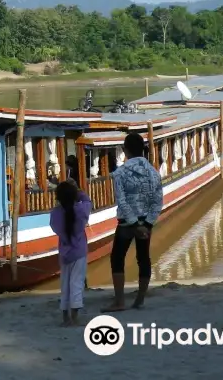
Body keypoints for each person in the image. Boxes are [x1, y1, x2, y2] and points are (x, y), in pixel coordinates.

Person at [102, 132, 163, 312]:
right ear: (143, 149)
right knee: (143, 259)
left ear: (124, 150)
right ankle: (140, 299)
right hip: (146, 224)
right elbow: (158, 201)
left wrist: (134, 224)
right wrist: (147, 225)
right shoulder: (154, 173)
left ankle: (120, 301)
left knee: (117, 258)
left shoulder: (120, 173)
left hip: (127, 224)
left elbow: (122, 201)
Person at [49, 181, 92, 326]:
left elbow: (55, 227)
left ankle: (65, 317)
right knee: (77, 283)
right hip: (79, 252)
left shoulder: (55, 214)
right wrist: (78, 191)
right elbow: (87, 200)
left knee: (65, 284)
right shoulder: (81, 210)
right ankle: (75, 317)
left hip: (64, 253)